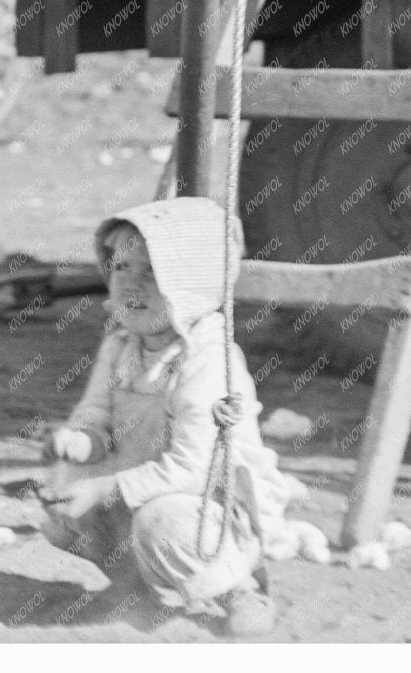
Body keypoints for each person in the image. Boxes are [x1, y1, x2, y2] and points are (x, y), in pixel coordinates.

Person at [39, 197, 289, 635]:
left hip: (208, 502)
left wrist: (104, 487)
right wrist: (78, 442)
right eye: (121, 268)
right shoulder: (121, 344)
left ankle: (241, 587)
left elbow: (193, 468)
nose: (131, 286)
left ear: (192, 282)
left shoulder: (208, 359)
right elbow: (95, 415)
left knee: (163, 523)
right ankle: (137, 585)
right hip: (142, 485)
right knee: (63, 496)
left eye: (153, 272)